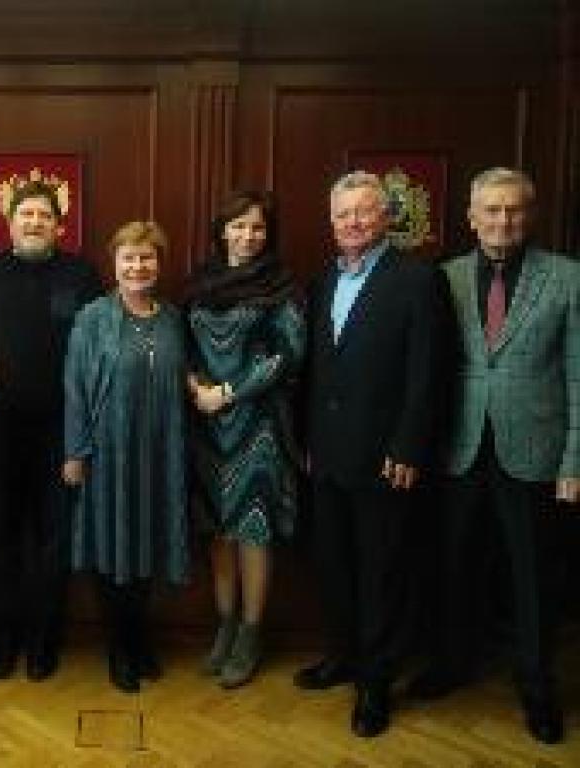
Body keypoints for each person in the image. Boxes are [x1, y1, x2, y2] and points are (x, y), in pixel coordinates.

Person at [406, 168, 579, 745]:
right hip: (457, 448)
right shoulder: (445, 277)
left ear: (530, 214)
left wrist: (574, 461)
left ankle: (537, 689)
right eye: (492, 210)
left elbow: (579, 376)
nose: (503, 220)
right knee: (452, 565)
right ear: (472, 217)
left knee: (533, 578)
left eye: (514, 210)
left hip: (534, 452)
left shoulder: (568, 278)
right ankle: (450, 664)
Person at [296, 171, 444, 737]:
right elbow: (319, 371)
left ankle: (376, 684)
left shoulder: (417, 279)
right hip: (328, 454)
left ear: (385, 217)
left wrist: (408, 444)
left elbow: (427, 372)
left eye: (363, 211)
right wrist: (309, 442)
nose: (352, 222)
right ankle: (343, 657)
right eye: (342, 214)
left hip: (386, 457)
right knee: (334, 565)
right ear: (331, 221)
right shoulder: (322, 281)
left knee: (381, 571)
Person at [0, 180, 103, 681]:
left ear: (59, 226)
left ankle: (45, 640)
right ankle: (4, 637)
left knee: (53, 537)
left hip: (60, 429)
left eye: (45, 215)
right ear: (10, 222)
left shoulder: (81, 274)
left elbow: (95, 354)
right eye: (26, 214)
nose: (35, 222)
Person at [184, 191, 306, 689]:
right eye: (238, 226)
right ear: (222, 232)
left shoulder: (282, 287)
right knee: (218, 531)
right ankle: (226, 625)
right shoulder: (201, 283)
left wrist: (229, 393)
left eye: (257, 227)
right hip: (205, 426)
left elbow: (289, 354)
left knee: (253, 530)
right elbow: (184, 345)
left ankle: (252, 634)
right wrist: (195, 386)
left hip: (259, 426)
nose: (247, 236)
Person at [63, 221, 189, 693]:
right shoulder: (92, 319)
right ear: (114, 264)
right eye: (128, 258)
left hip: (162, 453)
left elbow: (185, 375)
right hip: (108, 453)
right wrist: (75, 452)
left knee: (149, 543)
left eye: (147, 257)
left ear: (159, 263)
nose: (138, 266)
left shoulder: (173, 318)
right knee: (112, 545)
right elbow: (74, 389)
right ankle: (119, 646)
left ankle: (139, 639)